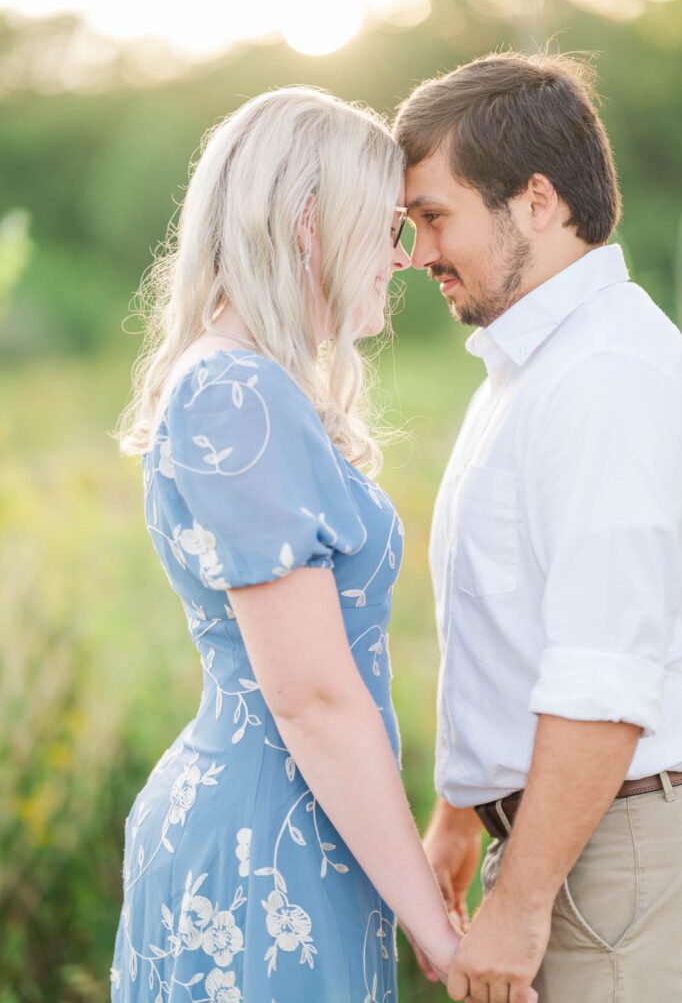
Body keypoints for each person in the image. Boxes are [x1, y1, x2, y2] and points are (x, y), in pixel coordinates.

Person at [111, 87, 461, 1003]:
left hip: (302, 828)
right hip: (265, 844)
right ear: (310, 223)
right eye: (384, 227)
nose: (403, 257)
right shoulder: (235, 393)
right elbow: (309, 695)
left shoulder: (247, 383)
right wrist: (434, 926)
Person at [394, 51, 682, 1003]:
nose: (418, 252)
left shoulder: (608, 376)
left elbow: (604, 674)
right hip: (565, 839)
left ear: (538, 201)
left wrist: (519, 906)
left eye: (435, 217)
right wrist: (461, 813)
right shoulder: (530, 366)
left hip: (611, 853)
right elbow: (510, 624)